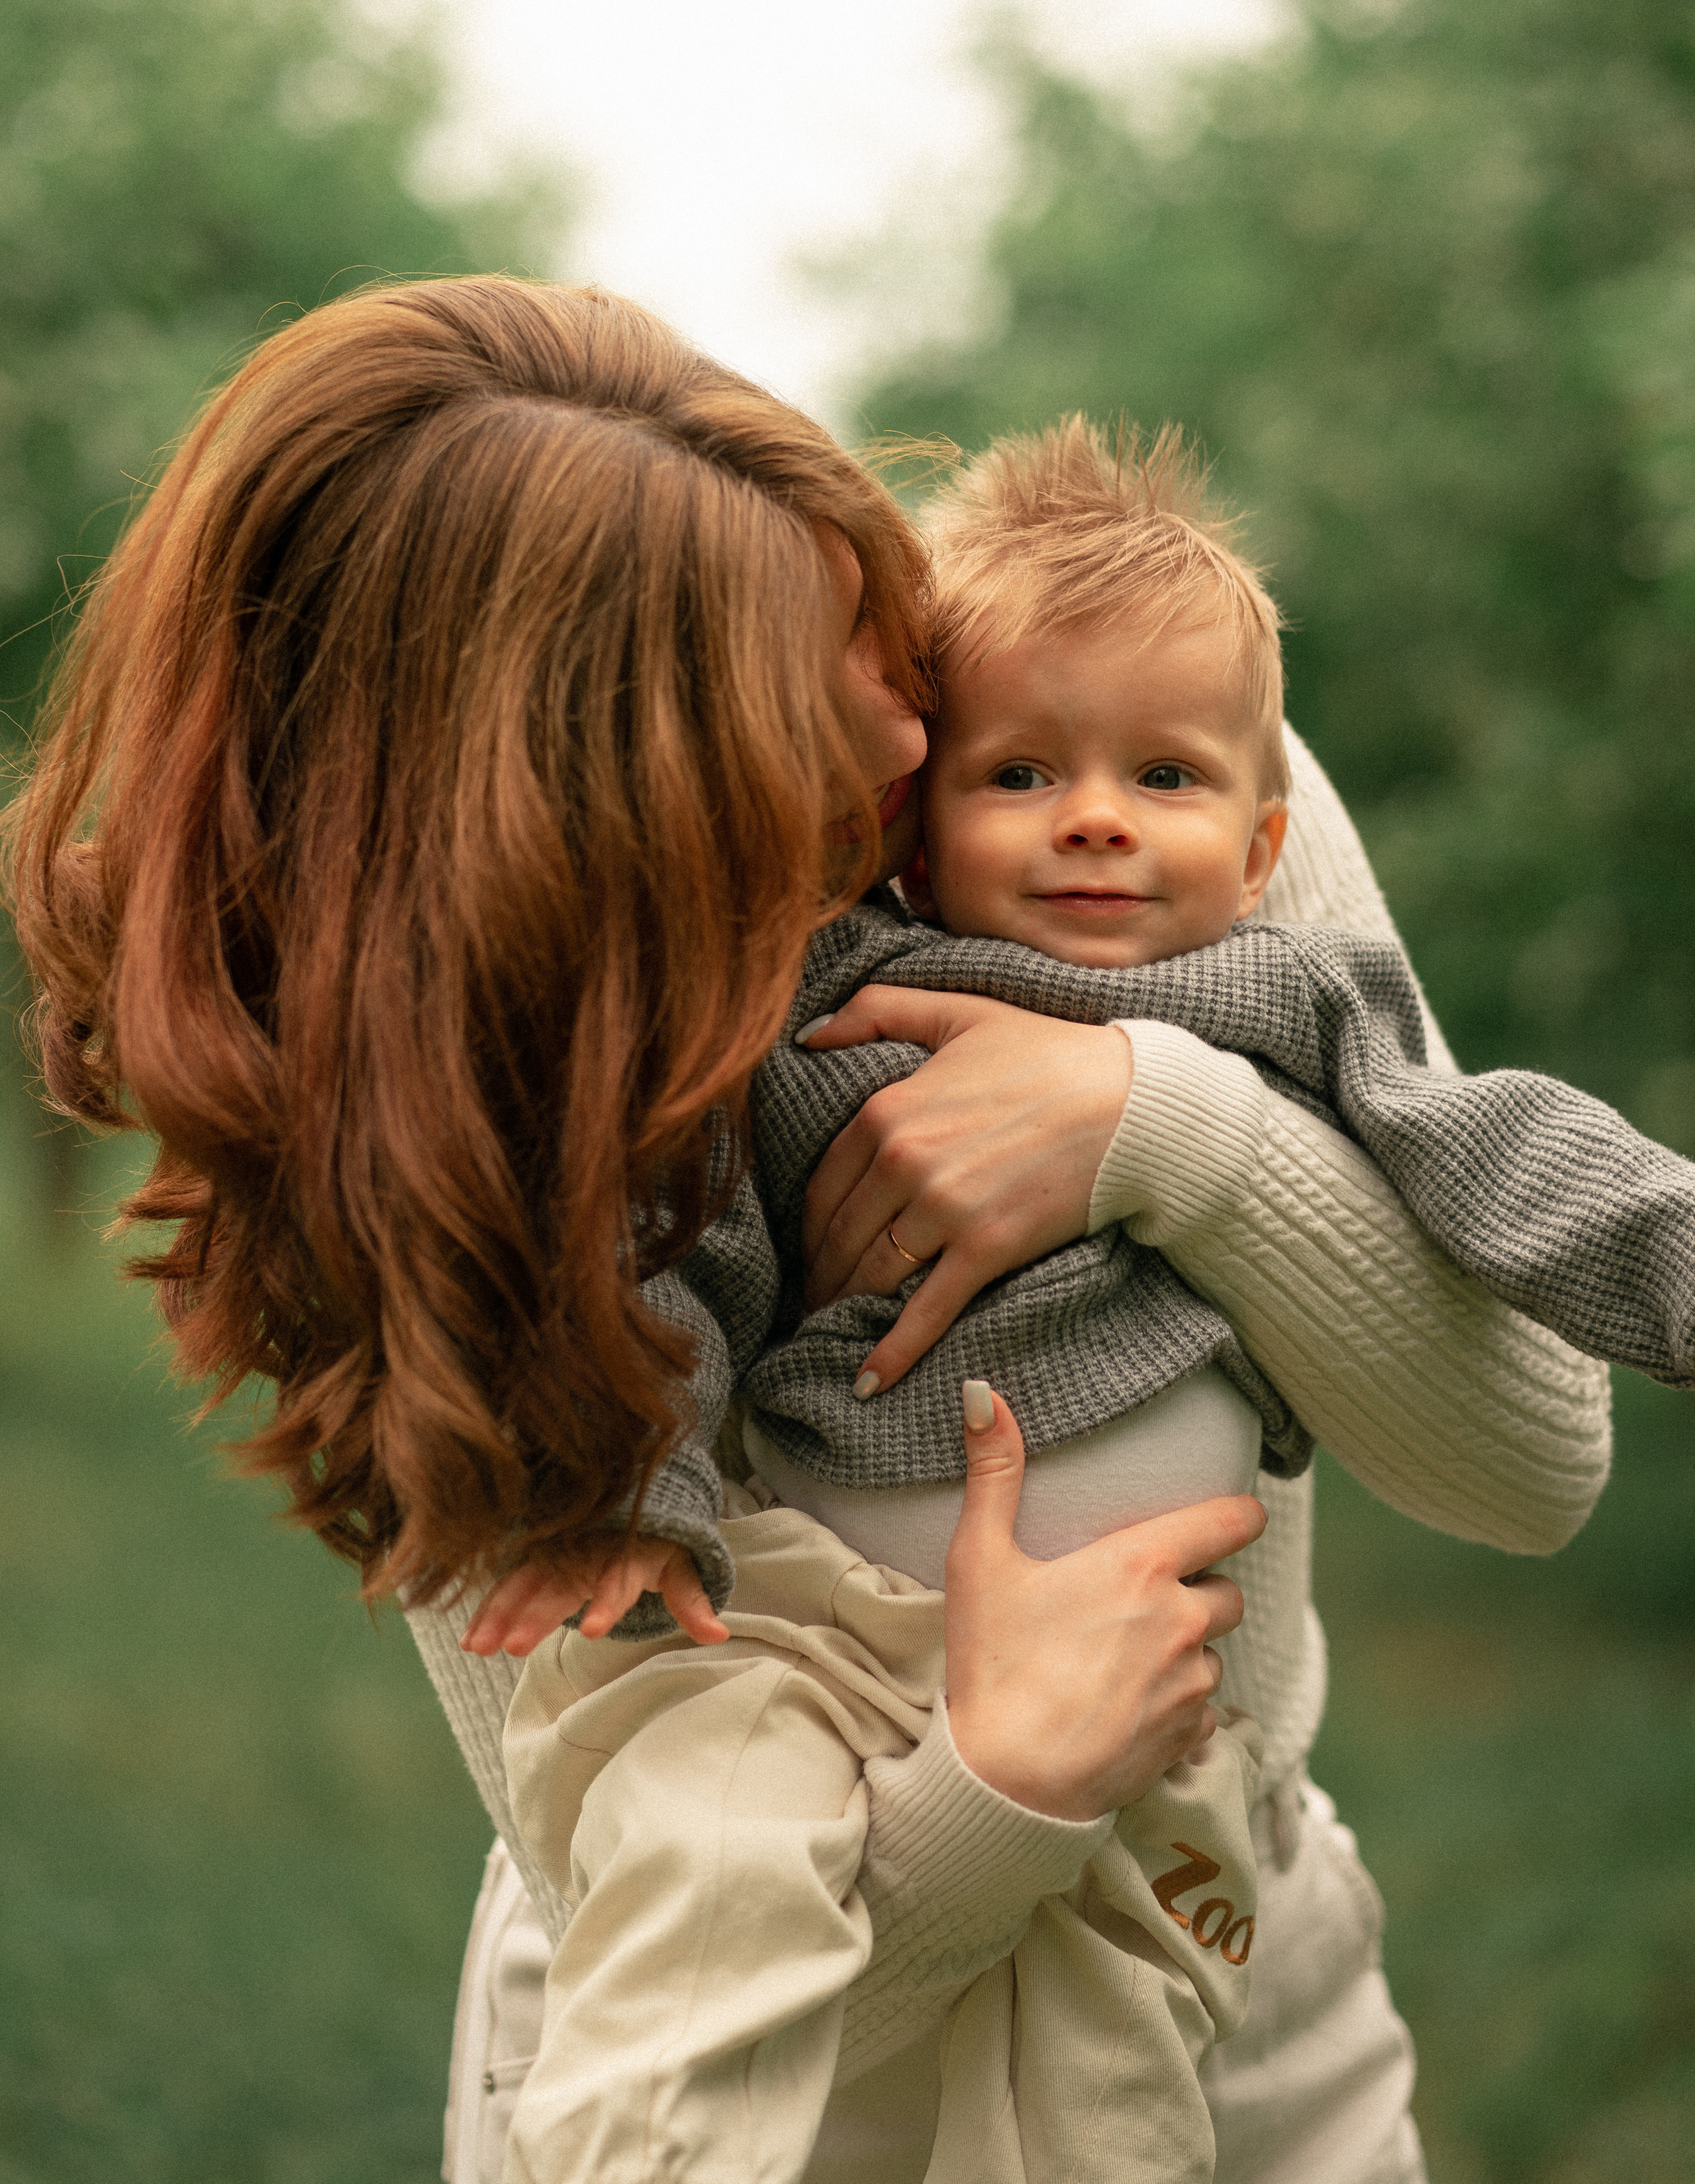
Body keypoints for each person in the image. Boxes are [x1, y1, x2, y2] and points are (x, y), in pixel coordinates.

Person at [1, 275, 1261, 2164]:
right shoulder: (457, 1192)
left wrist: (1161, 1121)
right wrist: (1005, 1784)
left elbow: (1532, 1458)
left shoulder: (1132, 752)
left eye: (872, 623)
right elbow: (666, 1949)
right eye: (805, 681)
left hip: (1247, 2023)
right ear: (606, 789)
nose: (911, 735)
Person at [472, 420, 1694, 2184]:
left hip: (1163, 1731)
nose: (1100, 816)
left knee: (1120, 2090)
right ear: (905, 826)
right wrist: (639, 1496)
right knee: (712, 1879)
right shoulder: (830, 1004)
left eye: (1166, 782)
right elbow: (679, 1262)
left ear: (1263, 837)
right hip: (821, 1655)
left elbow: (1502, 1154)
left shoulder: (1283, 997)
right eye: (1021, 775)